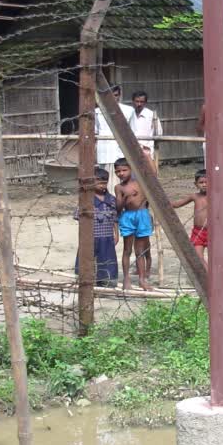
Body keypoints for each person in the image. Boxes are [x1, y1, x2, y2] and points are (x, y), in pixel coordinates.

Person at [173, 169, 223, 261]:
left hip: (214, 232)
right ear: (196, 184)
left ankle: (212, 275)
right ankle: (208, 275)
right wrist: (160, 201)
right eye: (201, 182)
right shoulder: (195, 196)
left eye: (207, 182)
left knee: (215, 259)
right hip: (198, 232)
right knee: (198, 258)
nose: (204, 184)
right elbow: (177, 204)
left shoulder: (216, 196)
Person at [72, 168, 119, 287]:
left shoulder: (112, 200)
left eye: (105, 182)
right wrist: (83, 235)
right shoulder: (86, 200)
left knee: (106, 258)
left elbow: (115, 218)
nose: (102, 185)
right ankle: (85, 279)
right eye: (99, 182)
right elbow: (79, 217)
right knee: (87, 258)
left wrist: (116, 234)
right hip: (90, 236)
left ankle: (104, 280)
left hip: (107, 236)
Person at [113, 158, 152, 291]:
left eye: (124, 170)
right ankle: (126, 279)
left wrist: (147, 156)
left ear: (131, 169)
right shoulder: (118, 187)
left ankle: (142, 280)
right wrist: (125, 196)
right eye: (118, 171)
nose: (121, 173)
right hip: (128, 216)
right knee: (127, 250)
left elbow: (153, 174)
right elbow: (118, 208)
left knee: (139, 251)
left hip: (142, 215)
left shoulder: (141, 183)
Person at [96, 84, 135, 196]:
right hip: (104, 152)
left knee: (122, 182)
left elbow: (133, 132)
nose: (113, 98)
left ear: (119, 95)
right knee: (105, 182)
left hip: (122, 153)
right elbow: (96, 132)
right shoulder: (98, 112)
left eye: (116, 95)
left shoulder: (128, 111)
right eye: (110, 96)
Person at [128, 90, 162, 170]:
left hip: (146, 149)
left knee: (149, 173)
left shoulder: (151, 115)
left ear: (145, 102)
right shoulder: (130, 114)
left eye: (142, 102)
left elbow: (159, 133)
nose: (139, 104)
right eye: (137, 101)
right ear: (133, 101)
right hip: (133, 148)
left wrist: (148, 145)